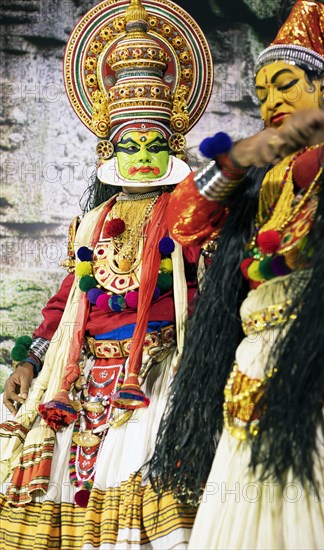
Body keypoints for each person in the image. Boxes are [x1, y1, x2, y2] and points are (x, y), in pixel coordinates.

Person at [150, 1, 324, 548]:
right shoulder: (259, 176)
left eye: (285, 83)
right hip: (255, 360)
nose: (271, 100)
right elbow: (182, 224)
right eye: (261, 92)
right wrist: (243, 156)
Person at [0, 1, 213, 548]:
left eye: (155, 145)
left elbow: (212, 287)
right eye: (130, 145)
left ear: (175, 148)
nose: (142, 156)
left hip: (159, 368)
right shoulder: (90, 225)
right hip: (83, 374)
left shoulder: (192, 214)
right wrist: (29, 358)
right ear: (108, 150)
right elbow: (66, 300)